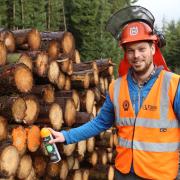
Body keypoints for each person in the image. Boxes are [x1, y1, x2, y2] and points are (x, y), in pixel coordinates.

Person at [48, 6, 180, 180]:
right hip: (124, 173)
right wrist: (66, 136)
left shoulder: (173, 84)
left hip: (161, 175)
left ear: (153, 49)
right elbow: (100, 123)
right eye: (130, 50)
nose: (136, 55)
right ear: (125, 53)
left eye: (142, 49)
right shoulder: (116, 87)